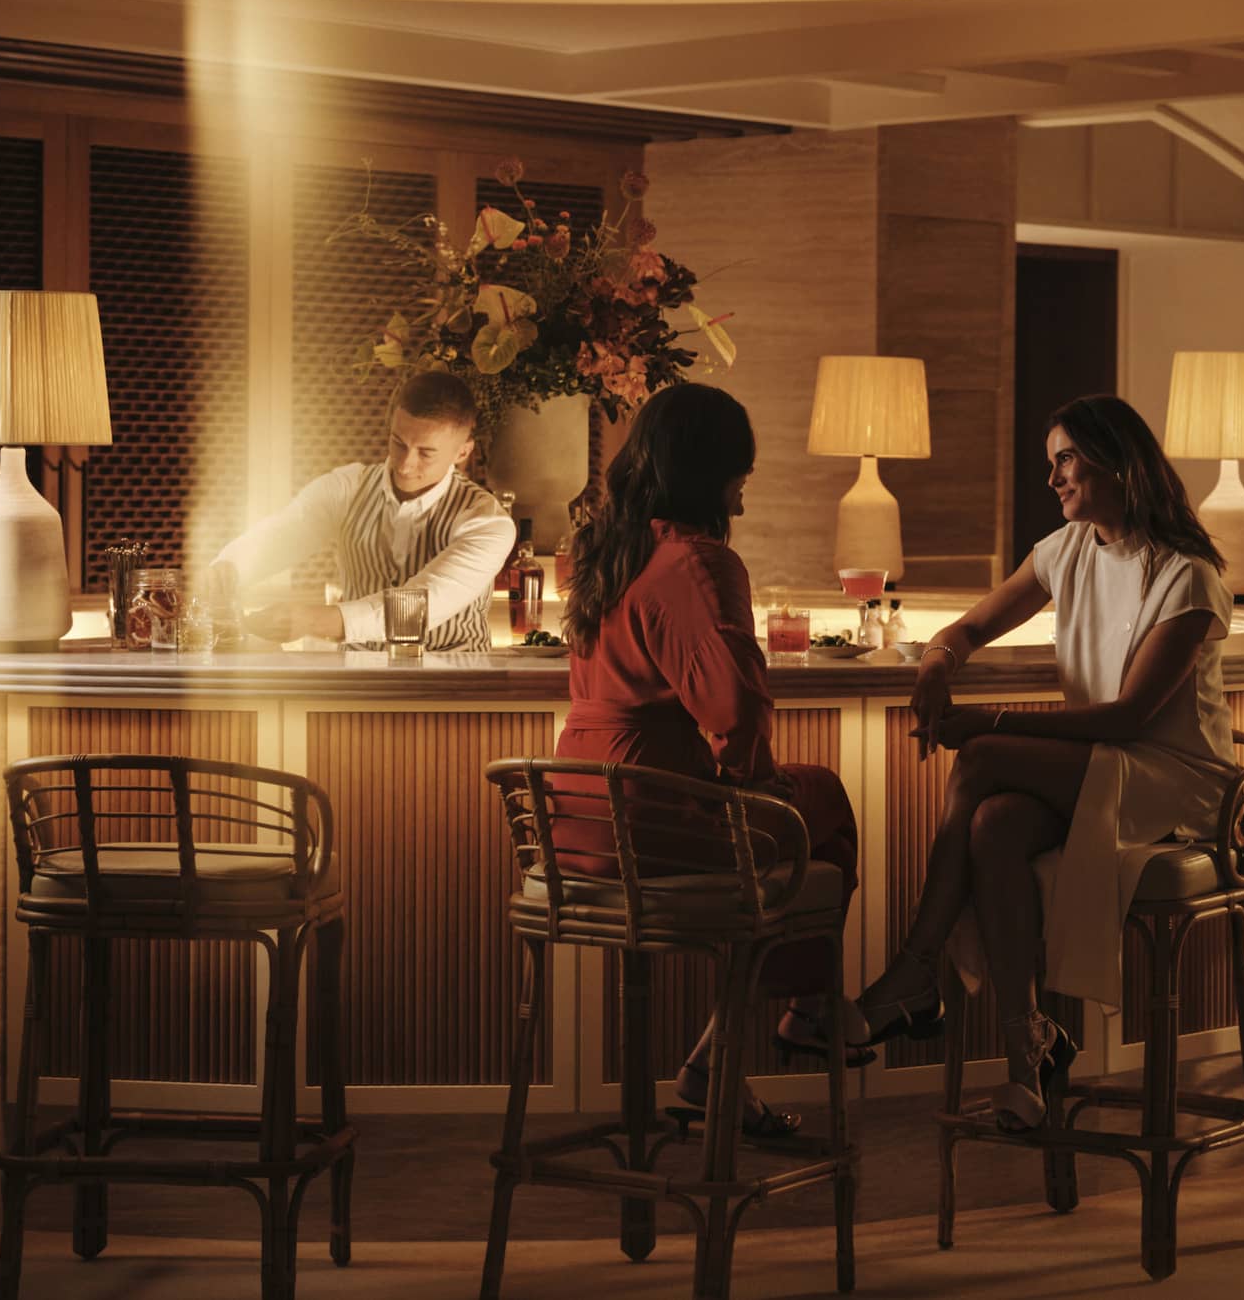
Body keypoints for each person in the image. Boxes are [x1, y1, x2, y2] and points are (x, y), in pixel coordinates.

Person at [854, 394, 1235, 1131]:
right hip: (1103, 765)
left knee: (983, 756)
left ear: (1117, 462)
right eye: (1051, 462)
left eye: (1066, 459)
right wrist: (936, 662)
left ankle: (915, 969)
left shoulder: (1186, 577)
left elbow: (1128, 717)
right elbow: (971, 626)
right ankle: (1027, 1056)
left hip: (1175, 778)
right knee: (994, 824)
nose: (1053, 478)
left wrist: (990, 721)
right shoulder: (1066, 550)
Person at [554, 382, 870, 1139]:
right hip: (648, 815)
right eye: (740, 478)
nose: (743, 499)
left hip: (571, 815)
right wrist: (754, 783)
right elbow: (734, 709)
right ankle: (798, 1014)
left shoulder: (607, 552)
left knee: (794, 827)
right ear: (712, 474)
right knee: (821, 805)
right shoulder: (697, 563)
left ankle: (727, 1057)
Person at [211, 371, 515, 650]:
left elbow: (420, 607)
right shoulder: (347, 487)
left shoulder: (488, 522)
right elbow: (282, 535)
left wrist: (310, 620)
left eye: (426, 453)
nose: (405, 464)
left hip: (456, 682)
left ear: (463, 451)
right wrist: (230, 567)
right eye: (398, 443)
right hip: (358, 677)